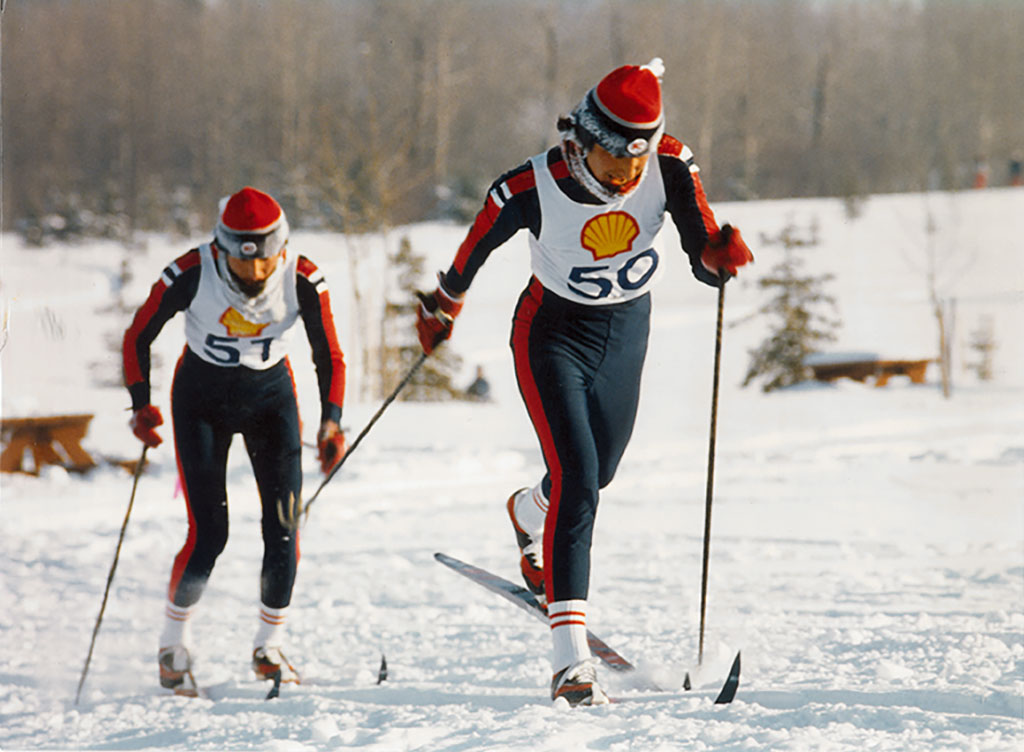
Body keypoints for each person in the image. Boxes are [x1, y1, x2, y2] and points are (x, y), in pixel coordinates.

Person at [415, 59, 752, 706]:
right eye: (610, 163)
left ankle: (526, 512)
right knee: (577, 477)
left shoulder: (671, 166)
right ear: (580, 140)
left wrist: (718, 257)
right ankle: (569, 661)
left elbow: (702, 246)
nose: (624, 179)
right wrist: (441, 307)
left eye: (635, 163)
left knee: (599, 473)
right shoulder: (528, 187)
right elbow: (471, 254)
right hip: (551, 336)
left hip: (626, 334)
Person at [122, 187, 347, 692]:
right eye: (243, 266)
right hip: (201, 403)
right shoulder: (191, 271)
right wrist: (140, 406)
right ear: (222, 249)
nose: (255, 275)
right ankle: (172, 646)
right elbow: (139, 333)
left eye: (264, 263)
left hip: (272, 404)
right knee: (210, 533)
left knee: (284, 528)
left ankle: (268, 648)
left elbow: (328, 354)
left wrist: (332, 423)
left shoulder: (304, 277)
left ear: (280, 249)